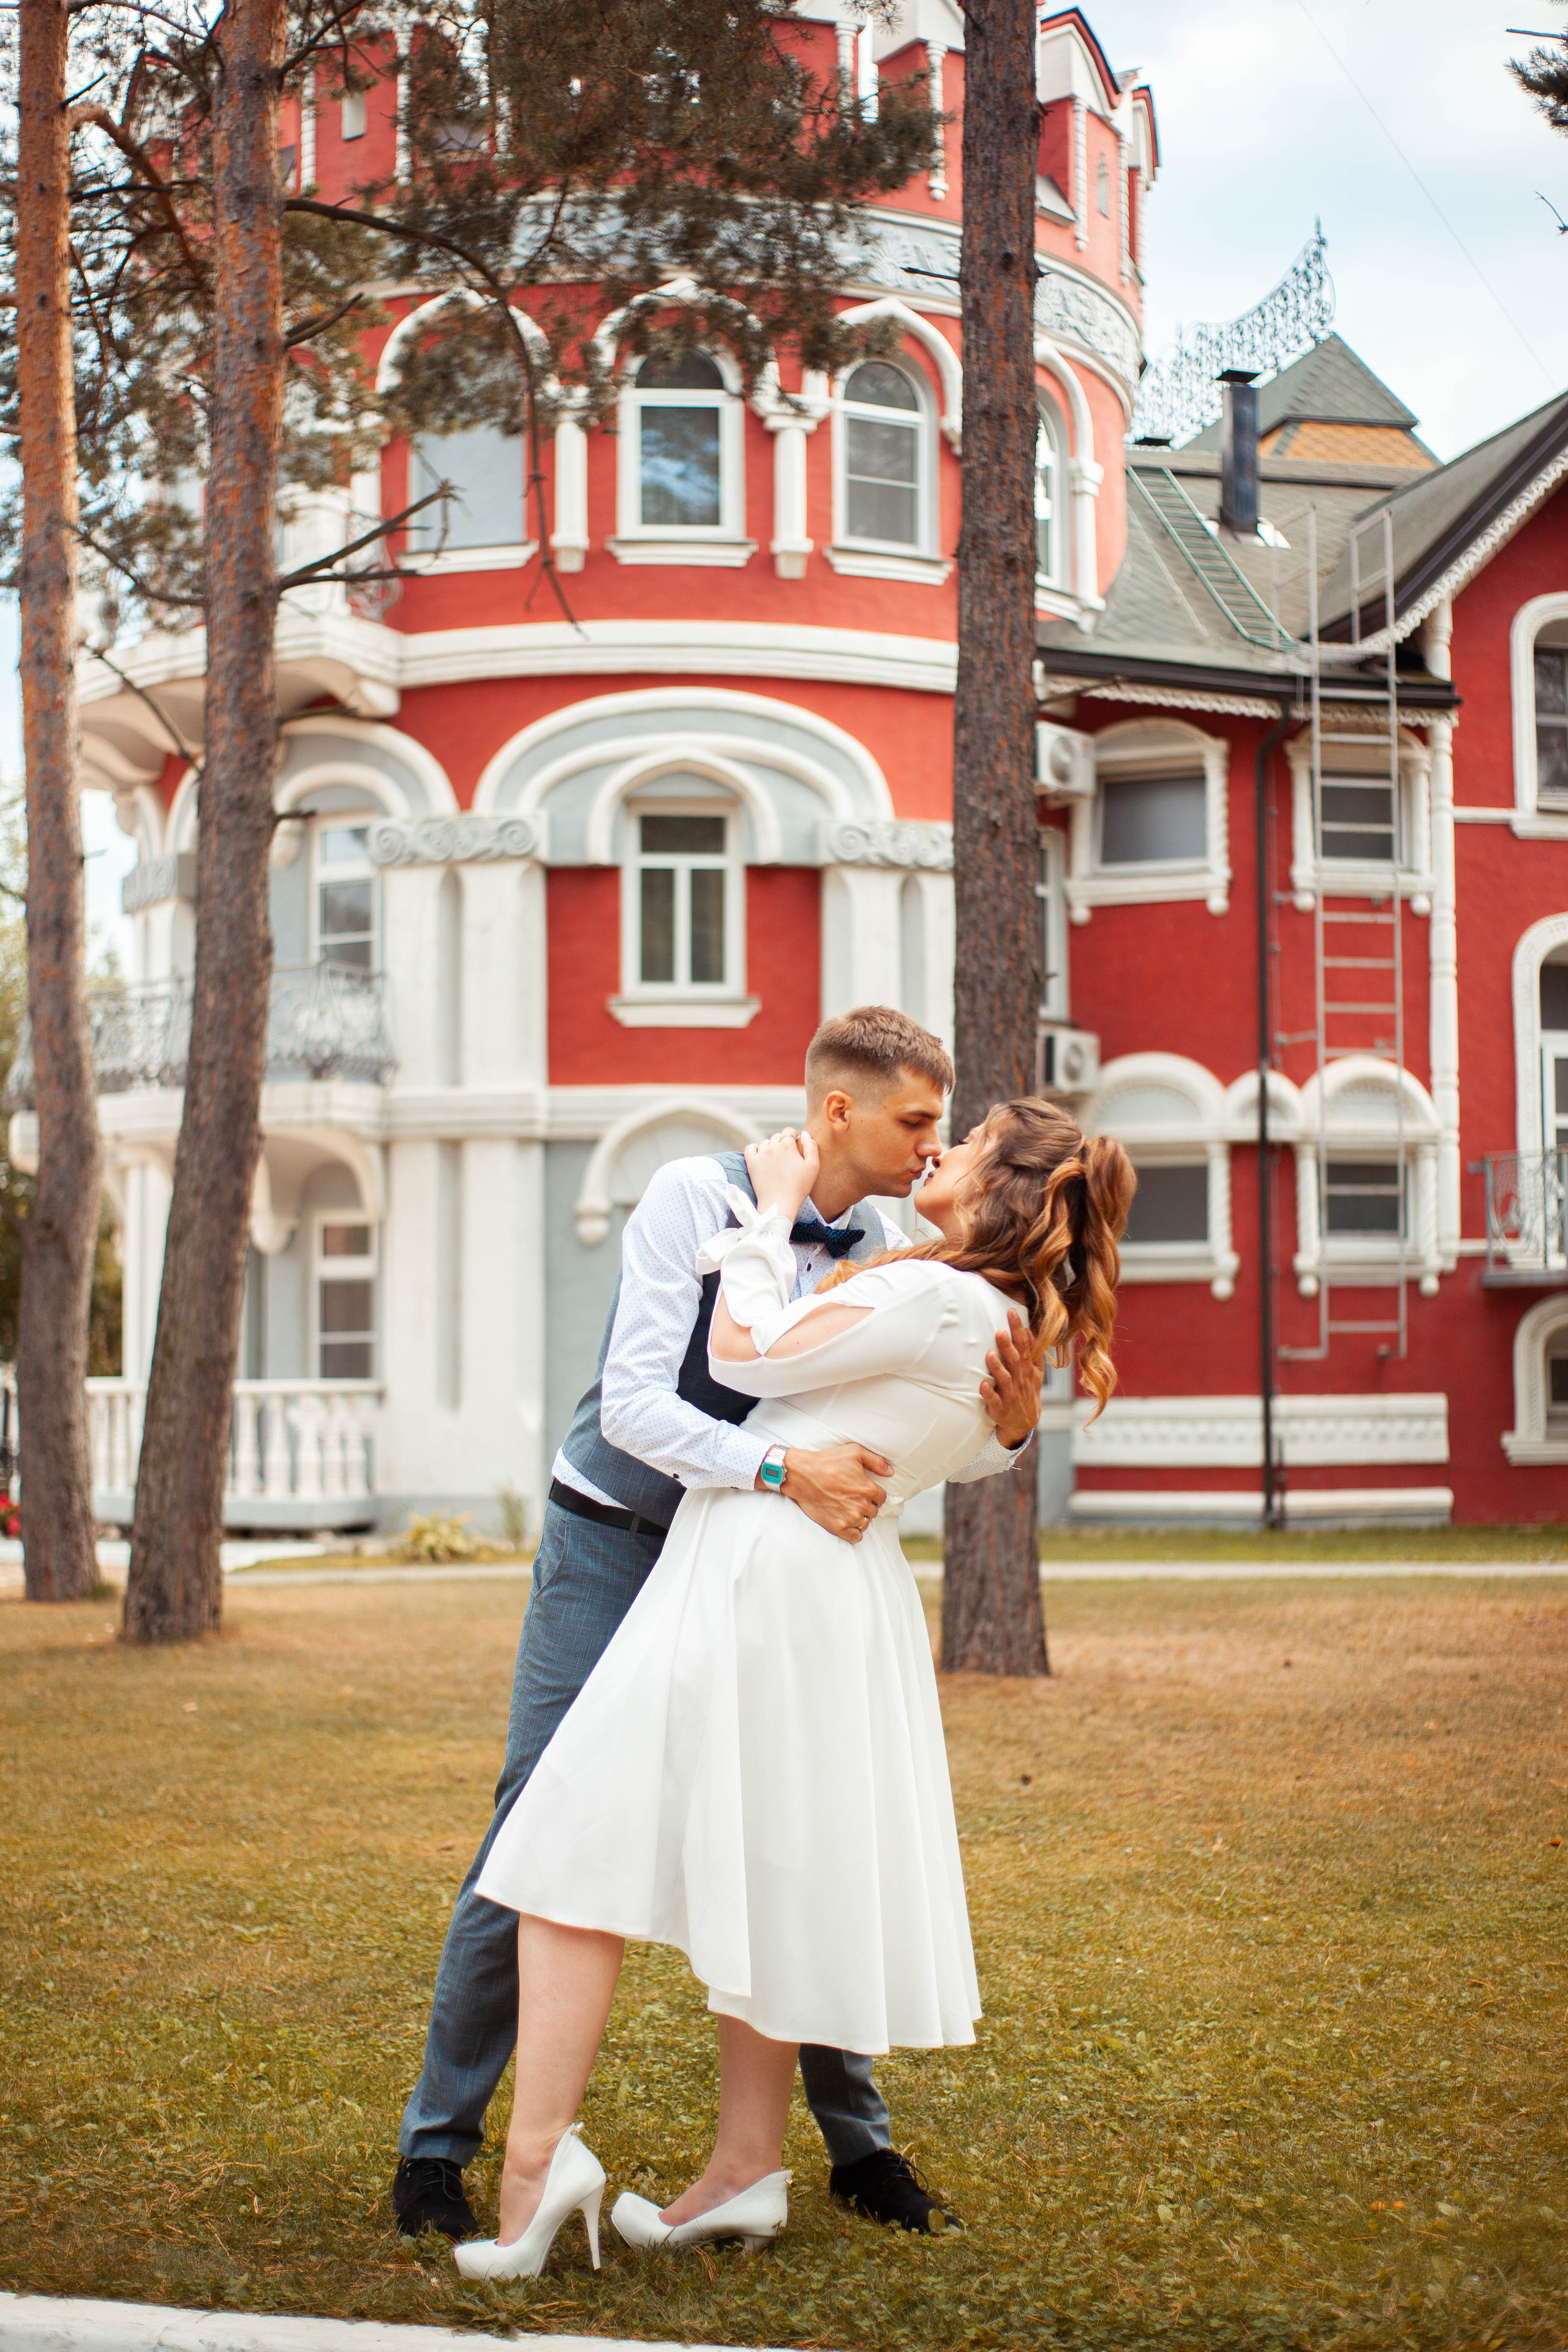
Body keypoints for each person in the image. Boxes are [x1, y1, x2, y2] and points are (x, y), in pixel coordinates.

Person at [449, 1096, 1135, 2279]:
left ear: (1000, 1189)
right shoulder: (985, 1310)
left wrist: (765, 1217)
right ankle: (744, 2167)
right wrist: (1014, 1436)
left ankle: (535, 2170)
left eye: (964, 1142)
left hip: (757, 1575)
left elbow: (734, 1353)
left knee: (564, 1845)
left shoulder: (929, 1291)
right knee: (769, 1866)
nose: (942, 1148)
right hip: (826, 1587)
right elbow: (958, 1442)